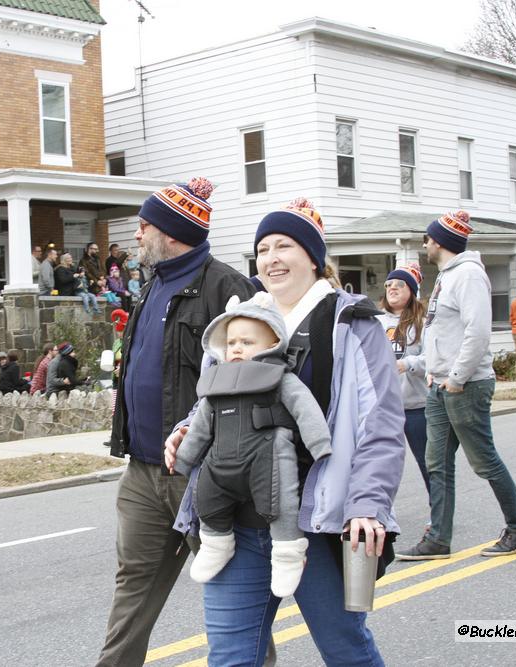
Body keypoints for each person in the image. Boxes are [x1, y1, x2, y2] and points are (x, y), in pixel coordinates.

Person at [165, 197, 404, 666]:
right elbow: (211, 400)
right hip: (235, 521)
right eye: (262, 249)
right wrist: (186, 429)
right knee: (231, 657)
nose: (271, 258)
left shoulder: (350, 323)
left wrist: (368, 505)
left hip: (315, 521)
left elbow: (381, 425)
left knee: (346, 651)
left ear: (313, 258)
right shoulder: (240, 320)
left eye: (284, 246)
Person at [97, 177, 256, 667]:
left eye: (144, 226)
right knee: (133, 589)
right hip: (143, 473)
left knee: (231, 594)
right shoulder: (151, 288)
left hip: (203, 475)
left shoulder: (229, 289)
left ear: (170, 231)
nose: (137, 236)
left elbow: (253, 381)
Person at [171, 292, 332, 597]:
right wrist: (185, 457)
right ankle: (216, 542)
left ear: (272, 343)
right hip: (220, 464)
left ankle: (287, 553)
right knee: (206, 498)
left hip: (269, 460)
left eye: (246, 342)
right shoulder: (217, 382)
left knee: (282, 505)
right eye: (231, 343)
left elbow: (305, 410)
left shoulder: (279, 377)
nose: (236, 349)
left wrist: (320, 444)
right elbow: (202, 425)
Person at [398, 210, 516, 561]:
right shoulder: (446, 276)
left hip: (466, 385)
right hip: (439, 386)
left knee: (483, 460)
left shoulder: (469, 275)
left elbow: (477, 332)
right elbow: (442, 332)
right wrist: (431, 368)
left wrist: (456, 378)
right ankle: (438, 539)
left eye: (428, 238)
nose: (425, 243)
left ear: (440, 241)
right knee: (436, 464)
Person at [376, 262, 430, 498]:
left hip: (416, 407)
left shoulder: (424, 323)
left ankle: (437, 514)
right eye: (389, 284)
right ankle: (379, 513)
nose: (392, 288)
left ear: (412, 291)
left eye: (399, 284)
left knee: (428, 463)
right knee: (380, 465)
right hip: (384, 408)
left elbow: (434, 358)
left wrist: (406, 364)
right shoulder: (376, 321)